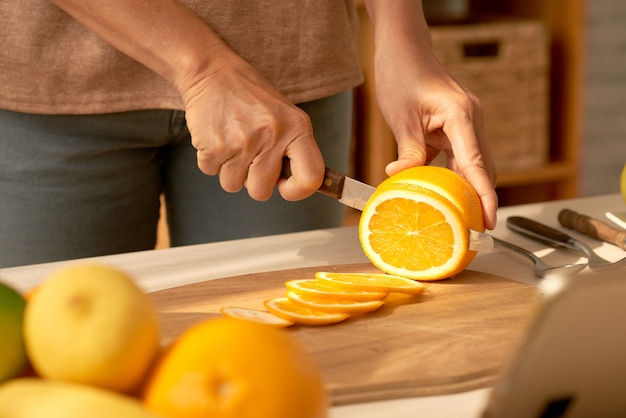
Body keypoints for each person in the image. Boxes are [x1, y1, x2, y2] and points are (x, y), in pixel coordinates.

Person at [0, 0, 497, 268]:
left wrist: (402, 38)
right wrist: (203, 70)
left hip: (287, 93)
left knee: (282, 353)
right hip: (52, 84)